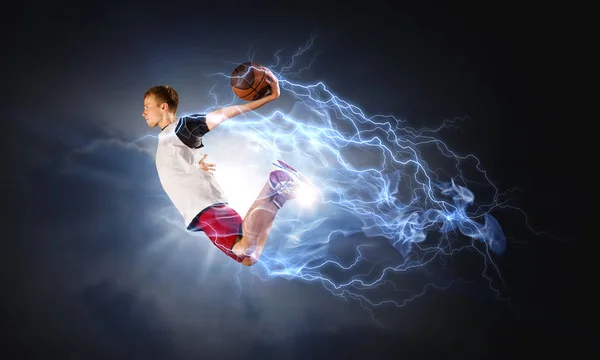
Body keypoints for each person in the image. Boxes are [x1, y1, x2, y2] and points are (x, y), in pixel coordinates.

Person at [142, 70, 302, 266]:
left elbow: (225, 114)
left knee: (244, 248)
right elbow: (181, 161)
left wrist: (271, 97)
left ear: (163, 106)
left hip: (204, 207)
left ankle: (276, 180)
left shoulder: (182, 127)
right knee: (249, 259)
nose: (144, 112)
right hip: (201, 211)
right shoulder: (167, 137)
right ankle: (278, 197)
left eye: (147, 106)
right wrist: (195, 163)